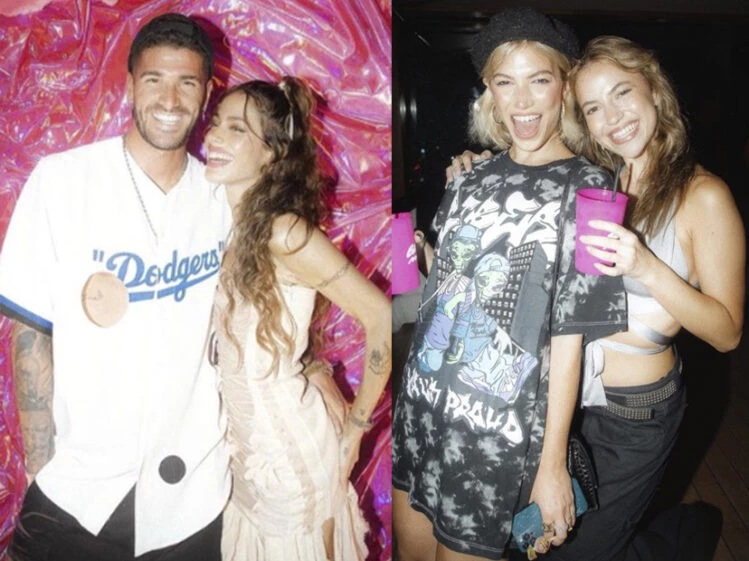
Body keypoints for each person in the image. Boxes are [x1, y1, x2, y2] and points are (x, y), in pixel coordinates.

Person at [0, 13, 343, 561]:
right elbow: (29, 332)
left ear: (207, 93)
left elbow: (279, 291)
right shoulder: (61, 181)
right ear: (130, 85)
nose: (169, 98)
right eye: (154, 79)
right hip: (79, 490)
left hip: (194, 498)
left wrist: (312, 366)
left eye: (187, 82)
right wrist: (44, 468)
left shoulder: (225, 198)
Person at [451, 35, 744, 561]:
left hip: (635, 415)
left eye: (622, 93)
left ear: (654, 90)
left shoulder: (704, 196)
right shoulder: (597, 176)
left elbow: (727, 333)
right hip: (564, 396)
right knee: (542, 538)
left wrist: (646, 266)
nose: (613, 118)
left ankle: (685, 535)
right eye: (592, 107)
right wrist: (479, 164)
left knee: (583, 550)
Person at [391, 8, 627, 561]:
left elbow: (570, 337)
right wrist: (422, 256)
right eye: (505, 82)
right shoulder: (468, 177)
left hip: (495, 438)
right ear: (489, 92)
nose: (522, 101)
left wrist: (552, 466)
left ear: (563, 87)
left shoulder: (592, 191)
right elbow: (451, 286)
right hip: (421, 409)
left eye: (538, 80)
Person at [202, 77, 391, 561]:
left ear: (271, 153)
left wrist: (356, 431)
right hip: (243, 456)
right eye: (216, 123)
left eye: (237, 128)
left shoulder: (284, 233)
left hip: (290, 458)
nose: (214, 136)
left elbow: (382, 319)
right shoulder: (232, 227)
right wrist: (313, 366)